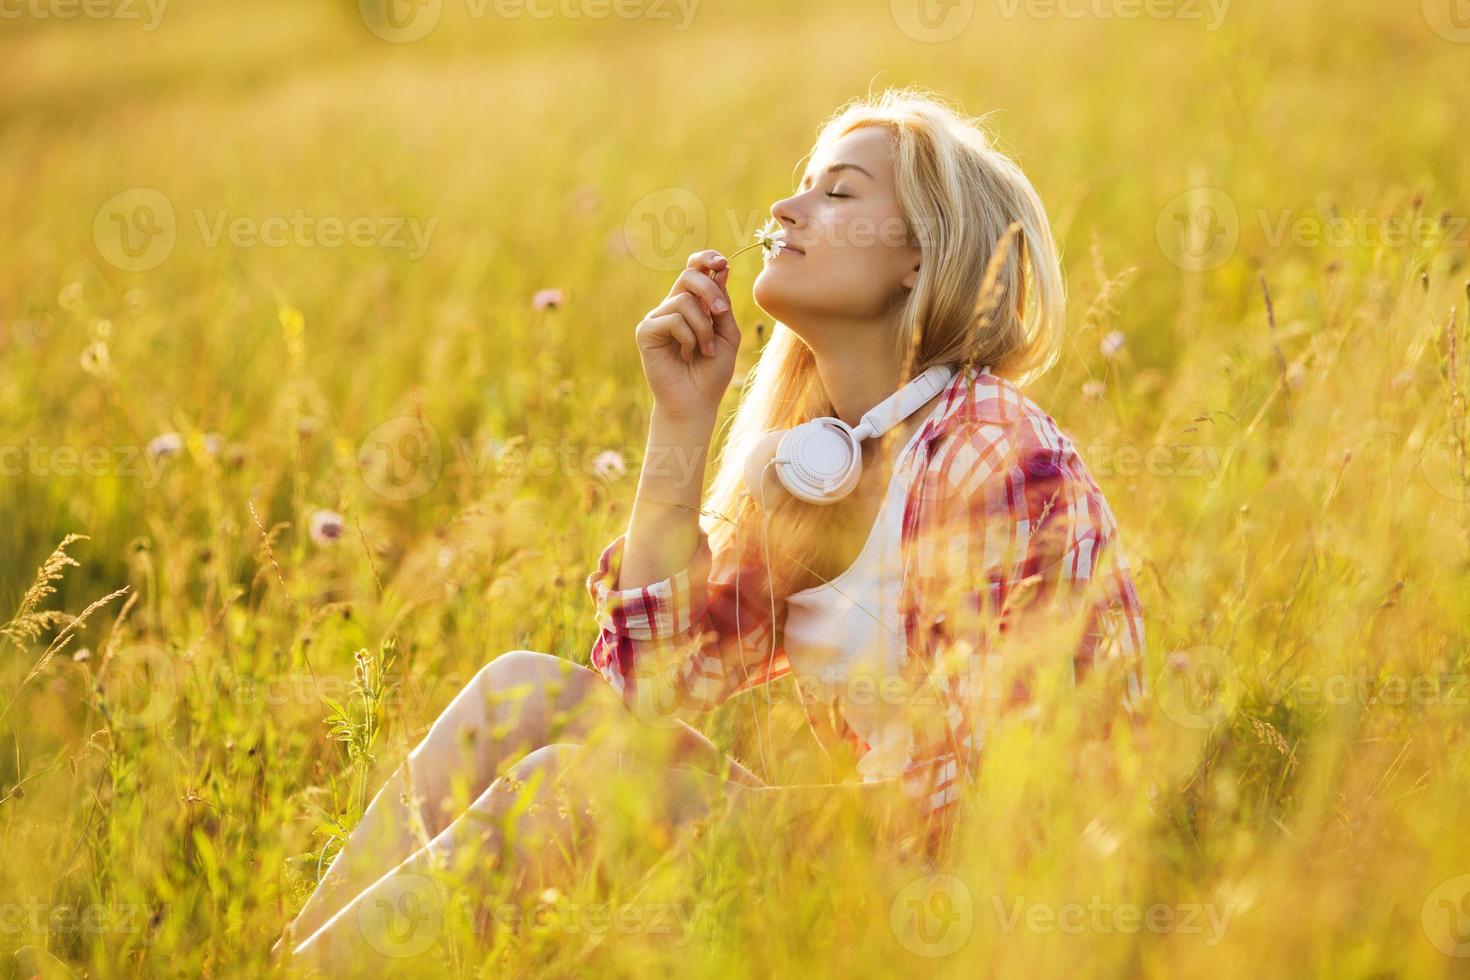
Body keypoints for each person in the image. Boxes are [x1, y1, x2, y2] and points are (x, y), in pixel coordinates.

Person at [278, 85, 1146, 970]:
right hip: (865, 848)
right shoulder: (825, 461)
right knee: (518, 693)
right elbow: (651, 686)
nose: (784, 206)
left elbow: (1023, 780)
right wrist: (681, 423)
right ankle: (279, 962)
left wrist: (774, 825)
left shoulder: (988, 449)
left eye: (838, 192)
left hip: (955, 898)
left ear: (919, 258)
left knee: (573, 788)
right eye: (803, 185)